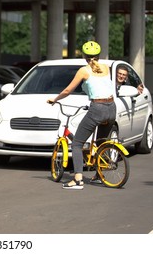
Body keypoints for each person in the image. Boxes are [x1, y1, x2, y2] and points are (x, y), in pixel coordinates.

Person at [47, 41, 116, 190]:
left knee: (77, 144)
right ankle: (99, 175)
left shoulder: (84, 71)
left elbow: (67, 91)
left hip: (97, 108)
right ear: (98, 55)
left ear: (84, 56)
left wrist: (55, 99)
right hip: (111, 108)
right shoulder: (106, 67)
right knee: (101, 142)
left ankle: (78, 179)